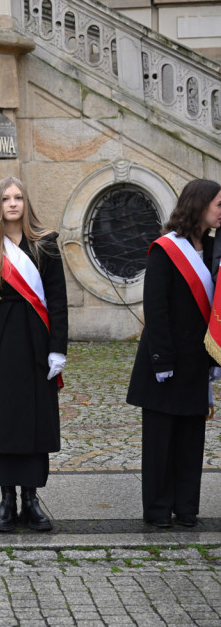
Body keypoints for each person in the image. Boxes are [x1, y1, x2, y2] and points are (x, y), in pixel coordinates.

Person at [0, 176, 67, 533]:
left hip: (37, 345)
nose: (12, 203)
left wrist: (58, 349)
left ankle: (32, 499)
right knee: (6, 422)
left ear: (26, 202)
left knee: (35, 422)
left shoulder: (46, 244)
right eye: (6, 198)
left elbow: (57, 301)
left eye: (18, 197)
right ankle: (7, 499)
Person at [126, 179, 221, 528]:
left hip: (198, 358)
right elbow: (157, 308)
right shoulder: (166, 249)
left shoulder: (215, 249)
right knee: (161, 441)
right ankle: (157, 509)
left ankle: (186, 507)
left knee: (191, 440)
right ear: (199, 204)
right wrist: (162, 359)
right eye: (219, 204)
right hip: (164, 359)